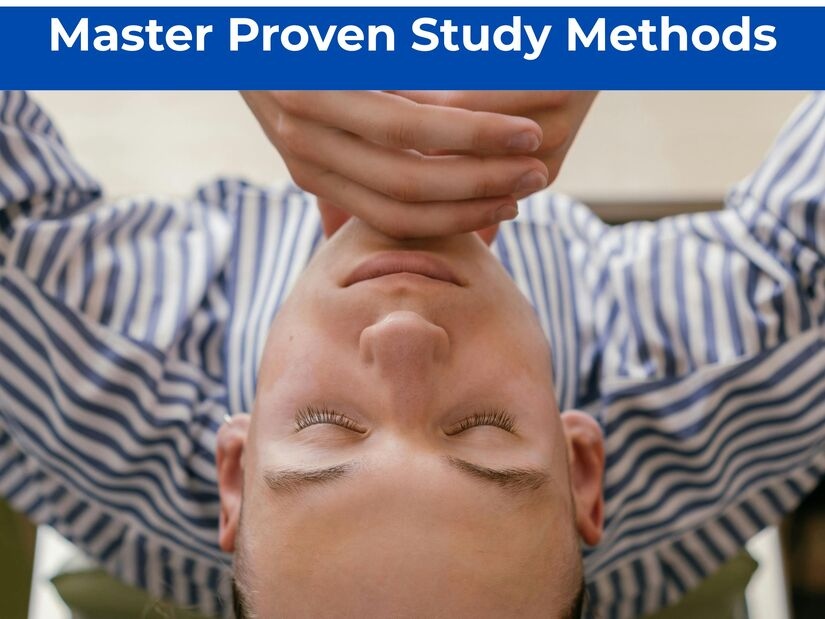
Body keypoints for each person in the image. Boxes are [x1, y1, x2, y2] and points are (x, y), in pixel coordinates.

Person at [0, 89, 822, 619]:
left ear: (233, 469)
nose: (402, 336)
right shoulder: (720, 376)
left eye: (323, 424)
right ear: (582, 467)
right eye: (485, 427)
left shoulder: (87, 380)